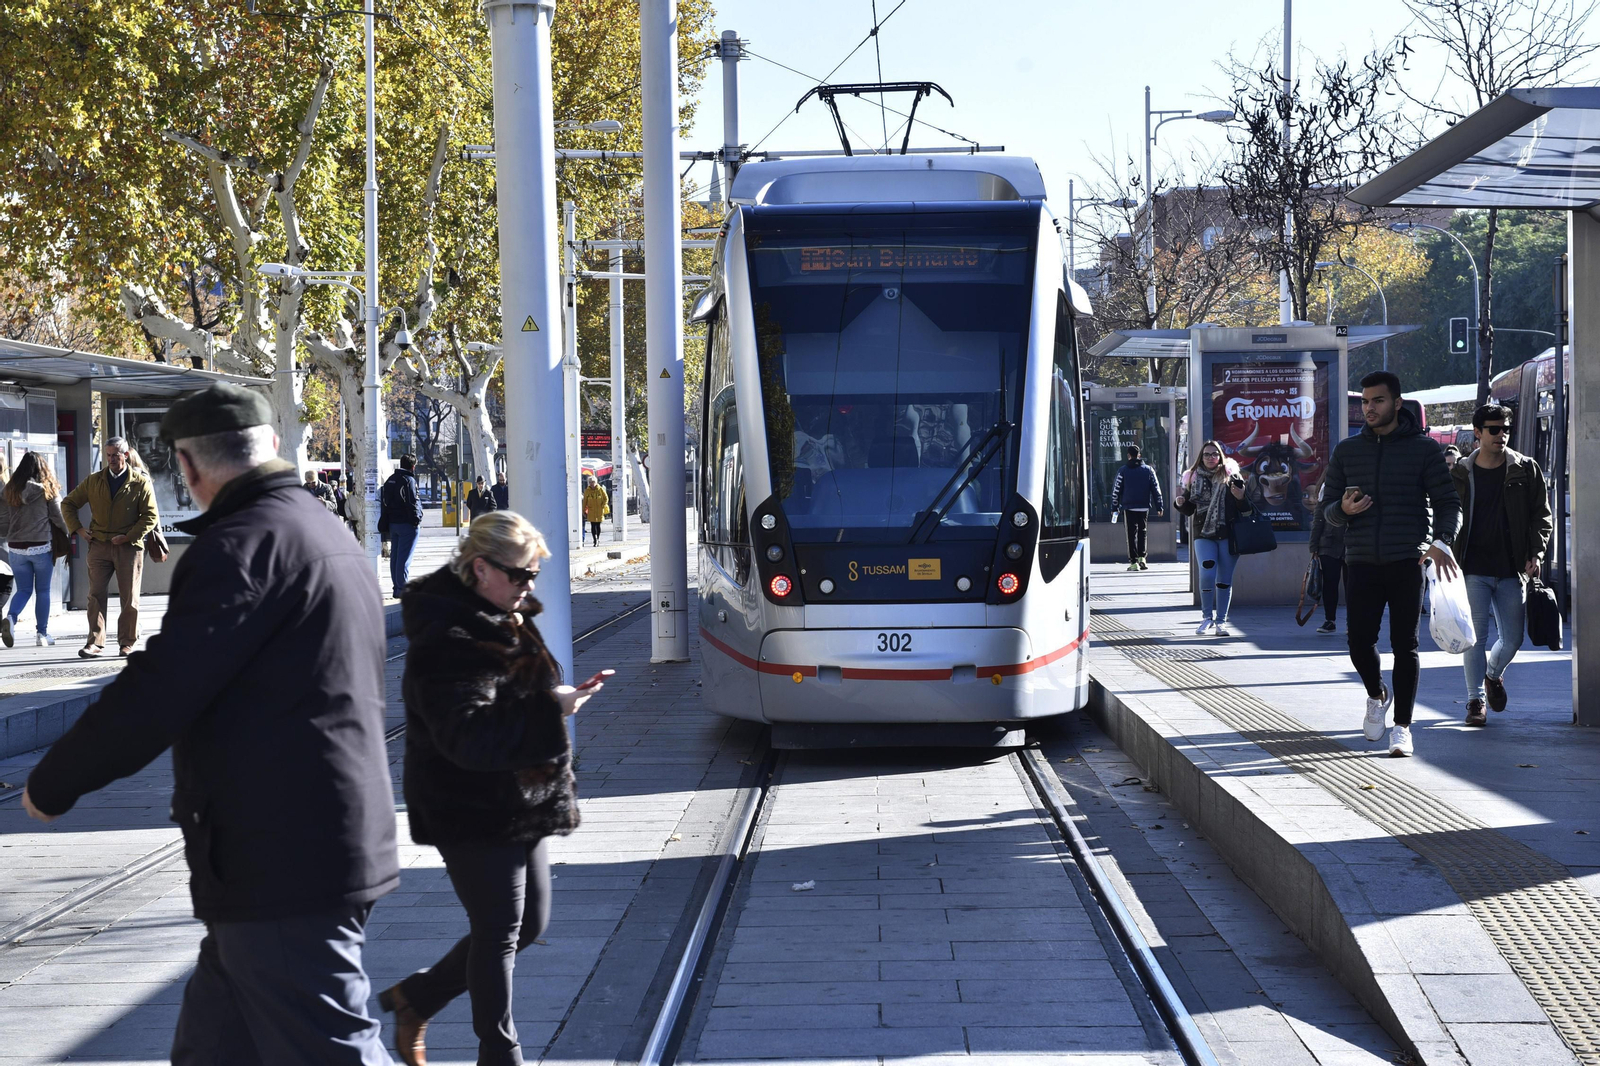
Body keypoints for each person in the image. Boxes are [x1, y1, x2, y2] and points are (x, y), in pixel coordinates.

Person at [21, 383, 399, 1064]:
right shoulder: (324, 532)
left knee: (335, 1052)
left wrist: (54, 781)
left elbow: (165, 685)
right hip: (307, 842)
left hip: (280, 855)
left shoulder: (242, 547)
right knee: (214, 1052)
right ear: (273, 447)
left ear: (189, 470)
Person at [379, 512, 607, 1066]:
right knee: (500, 929)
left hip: (519, 797)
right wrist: (549, 708)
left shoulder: (498, 611)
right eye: (521, 575)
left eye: (533, 575)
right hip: (469, 804)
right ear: (480, 568)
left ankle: (418, 998)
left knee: (529, 924)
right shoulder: (450, 636)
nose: (530, 587)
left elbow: (511, 693)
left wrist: (552, 695)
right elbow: (466, 736)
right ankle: (500, 1055)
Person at [1322, 371, 1461, 758]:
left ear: (1396, 403)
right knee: (1358, 644)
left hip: (1407, 559)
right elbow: (1327, 508)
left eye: (1377, 401)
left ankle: (1402, 727)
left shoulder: (1424, 450)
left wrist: (1440, 542)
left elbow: (1449, 503)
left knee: (1406, 645)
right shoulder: (1347, 451)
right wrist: (1343, 510)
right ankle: (1375, 692)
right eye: (1365, 401)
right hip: (1361, 559)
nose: (1369, 408)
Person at [1450, 403, 1552, 727]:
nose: (1501, 435)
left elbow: (1542, 515)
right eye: (1494, 429)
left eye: (1506, 429)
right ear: (1477, 433)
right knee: (1475, 638)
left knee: (1513, 639)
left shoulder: (1525, 469)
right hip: (1473, 568)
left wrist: (1535, 552)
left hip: (1512, 569)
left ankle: (1492, 674)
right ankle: (1474, 701)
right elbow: (1447, 514)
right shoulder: (1461, 473)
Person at [61, 435, 159, 658]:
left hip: (129, 548)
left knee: (129, 597)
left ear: (126, 454)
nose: (112, 459)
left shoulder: (140, 482)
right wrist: (79, 529)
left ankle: (127, 642)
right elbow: (68, 503)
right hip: (99, 546)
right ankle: (94, 643)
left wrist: (128, 536)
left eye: (116, 455)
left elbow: (150, 516)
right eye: (108, 456)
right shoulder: (94, 480)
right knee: (95, 594)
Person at [1173, 441, 1252, 638]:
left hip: (1227, 534)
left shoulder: (1231, 477)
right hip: (1203, 534)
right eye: (1207, 454)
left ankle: (1221, 622)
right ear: (1201, 457)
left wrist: (1240, 496)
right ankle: (1206, 617)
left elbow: (1247, 509)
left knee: (1224, 580)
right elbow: (1190, 509)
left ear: (1221, 457)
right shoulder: (1193, 478)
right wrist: (1180, 503)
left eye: (1214, 454)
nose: (1210, 457)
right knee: (1207, 573)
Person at [1, 452, 68, 648]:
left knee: (23, 590)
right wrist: (69, 533)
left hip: (16, 548)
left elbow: (4, 522)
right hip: (41, 546)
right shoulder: (48, 489)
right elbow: (59, 517)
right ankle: (42, 634)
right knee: (43, 590)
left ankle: (11, 618)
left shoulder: (9, 491)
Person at [1110, 444, 1163, 571]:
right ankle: (1142, 558)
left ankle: (1133, 562)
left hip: (1129, 506)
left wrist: (1114, 507)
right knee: (1142, 532)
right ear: (1139, 455)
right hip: (1144, 506)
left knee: (1131, 534)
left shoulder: (1123, 470)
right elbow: (1156, 489)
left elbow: (1116, 490)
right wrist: (1159, 505)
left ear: (1128, 455)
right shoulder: (1149, 470)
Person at [380, 453, 424, 598]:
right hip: (407, 524)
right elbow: (413, 502)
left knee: (395, 558)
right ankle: (402, 589)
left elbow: (385, 501)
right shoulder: (408, 480)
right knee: (404, 559)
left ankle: (397, 588)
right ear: (413, 466)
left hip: (393, 523)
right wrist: (416, 519)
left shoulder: (391, 480)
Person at [1308, 477, 1346, 635]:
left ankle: (1354, 622)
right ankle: (1330, 620)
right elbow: (1319, 517)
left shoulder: (1358, 481)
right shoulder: (1328, 486)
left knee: (1355, 585)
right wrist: (1314, 545)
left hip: (1353, 543)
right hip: (1329, 544)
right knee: (1330, 584)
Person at [582, 474, 610, 547]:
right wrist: (583, 511)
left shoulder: (600, 489)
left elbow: (606, 498)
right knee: (593, 525)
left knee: (598, 525)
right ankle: (594, 540)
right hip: (591, 511)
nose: (592, 483)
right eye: (590, 482)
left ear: (596, 482)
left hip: (599, 511)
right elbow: (585, 501)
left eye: (593, 482)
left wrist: (603, 505)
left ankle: (598, 538)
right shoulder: (587, 491)